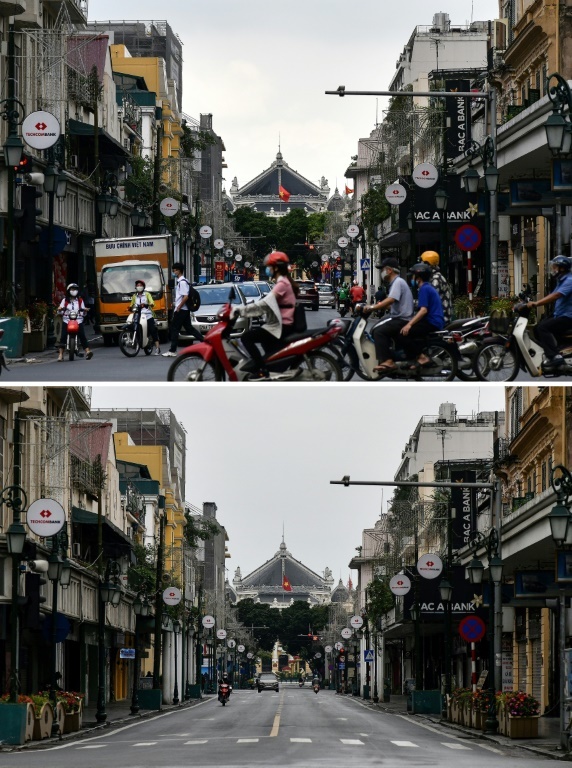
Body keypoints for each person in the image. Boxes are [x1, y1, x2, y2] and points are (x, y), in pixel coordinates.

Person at [232, 251, 298, 376]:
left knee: (247, 337)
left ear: (276, 268)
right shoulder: (282, 282)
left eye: (269, 266)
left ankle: (261, 369)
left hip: (282, 325)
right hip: (280, 323)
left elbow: (265, 304)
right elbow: (267, 304)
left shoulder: (282, 284)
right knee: (263, 340)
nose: (268, 269)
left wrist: (241, 310)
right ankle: (269, 367)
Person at [362, 257, 414, 373]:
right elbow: (394, 303)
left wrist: (372, 307)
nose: (382, 273)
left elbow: (391, 299)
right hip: (398, 316)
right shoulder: (396, 282)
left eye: (383, 270)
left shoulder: (397, 282)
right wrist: (382, 305)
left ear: (389, 270)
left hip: (401, 319)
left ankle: (387, 360)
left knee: (379, 331)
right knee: (379, 325)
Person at [527, 255, 572, 370]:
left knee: (543, 327)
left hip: (568, 317)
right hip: (560, 314)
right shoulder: (561, 281)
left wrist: (536, 303)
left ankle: (555, 356)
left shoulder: (569, 281)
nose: (553, 269)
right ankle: (556, 351)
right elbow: (552, 295)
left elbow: (555, 296)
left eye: (555, 267)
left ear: (562, 268)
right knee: (537, 328)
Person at [400, 262, 445, 367]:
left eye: (413, 276)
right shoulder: (428, 287)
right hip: (434, 320)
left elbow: (423, 310)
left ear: (418, 278)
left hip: (432, 322)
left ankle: (421, 357)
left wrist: (409, 324)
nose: (412, 279)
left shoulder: (424, 289)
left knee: (403, 333)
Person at [162, 262, 202, 357]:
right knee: (189, 328)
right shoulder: (183, 281)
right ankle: (205, 341)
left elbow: (185, 297)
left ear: (179, 271)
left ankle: (172, 350)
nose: (174, 272)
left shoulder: (182, 282)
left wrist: (179, 307)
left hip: (181, 310)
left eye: (175, 270)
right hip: (184, 310)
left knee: (174, 329)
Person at [57, 283, 93, 361]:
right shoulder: (64, 301)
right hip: (67, 320)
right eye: (72, 289)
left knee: (82, 335)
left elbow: (83, 312)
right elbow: (59, 310)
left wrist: (85, 310)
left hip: (78, 320)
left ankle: (87, 351)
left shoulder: (80, 301)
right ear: (68, 291)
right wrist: (60, 309)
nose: (74, 291)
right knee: (63, 337)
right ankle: (60, 354)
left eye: (75, 289)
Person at [419, 250, 453, 325]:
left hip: (440, 318)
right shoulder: (433, 277)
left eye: (422, 263)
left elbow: (428, 300)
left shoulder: (436, 279)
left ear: (427, 264)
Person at [129, 280, 161, 355]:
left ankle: (157, 348)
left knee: (152, 330)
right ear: (136, 287)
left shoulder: (147, 294)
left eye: (140, 285)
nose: (139, 286)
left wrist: (148, 304)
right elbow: (131, 304)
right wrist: (130, 307)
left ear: (143, 287)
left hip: (148, 315)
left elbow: (152, 303)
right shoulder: (134, 296)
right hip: (138, 315)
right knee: (133, 327)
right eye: (138, 285)